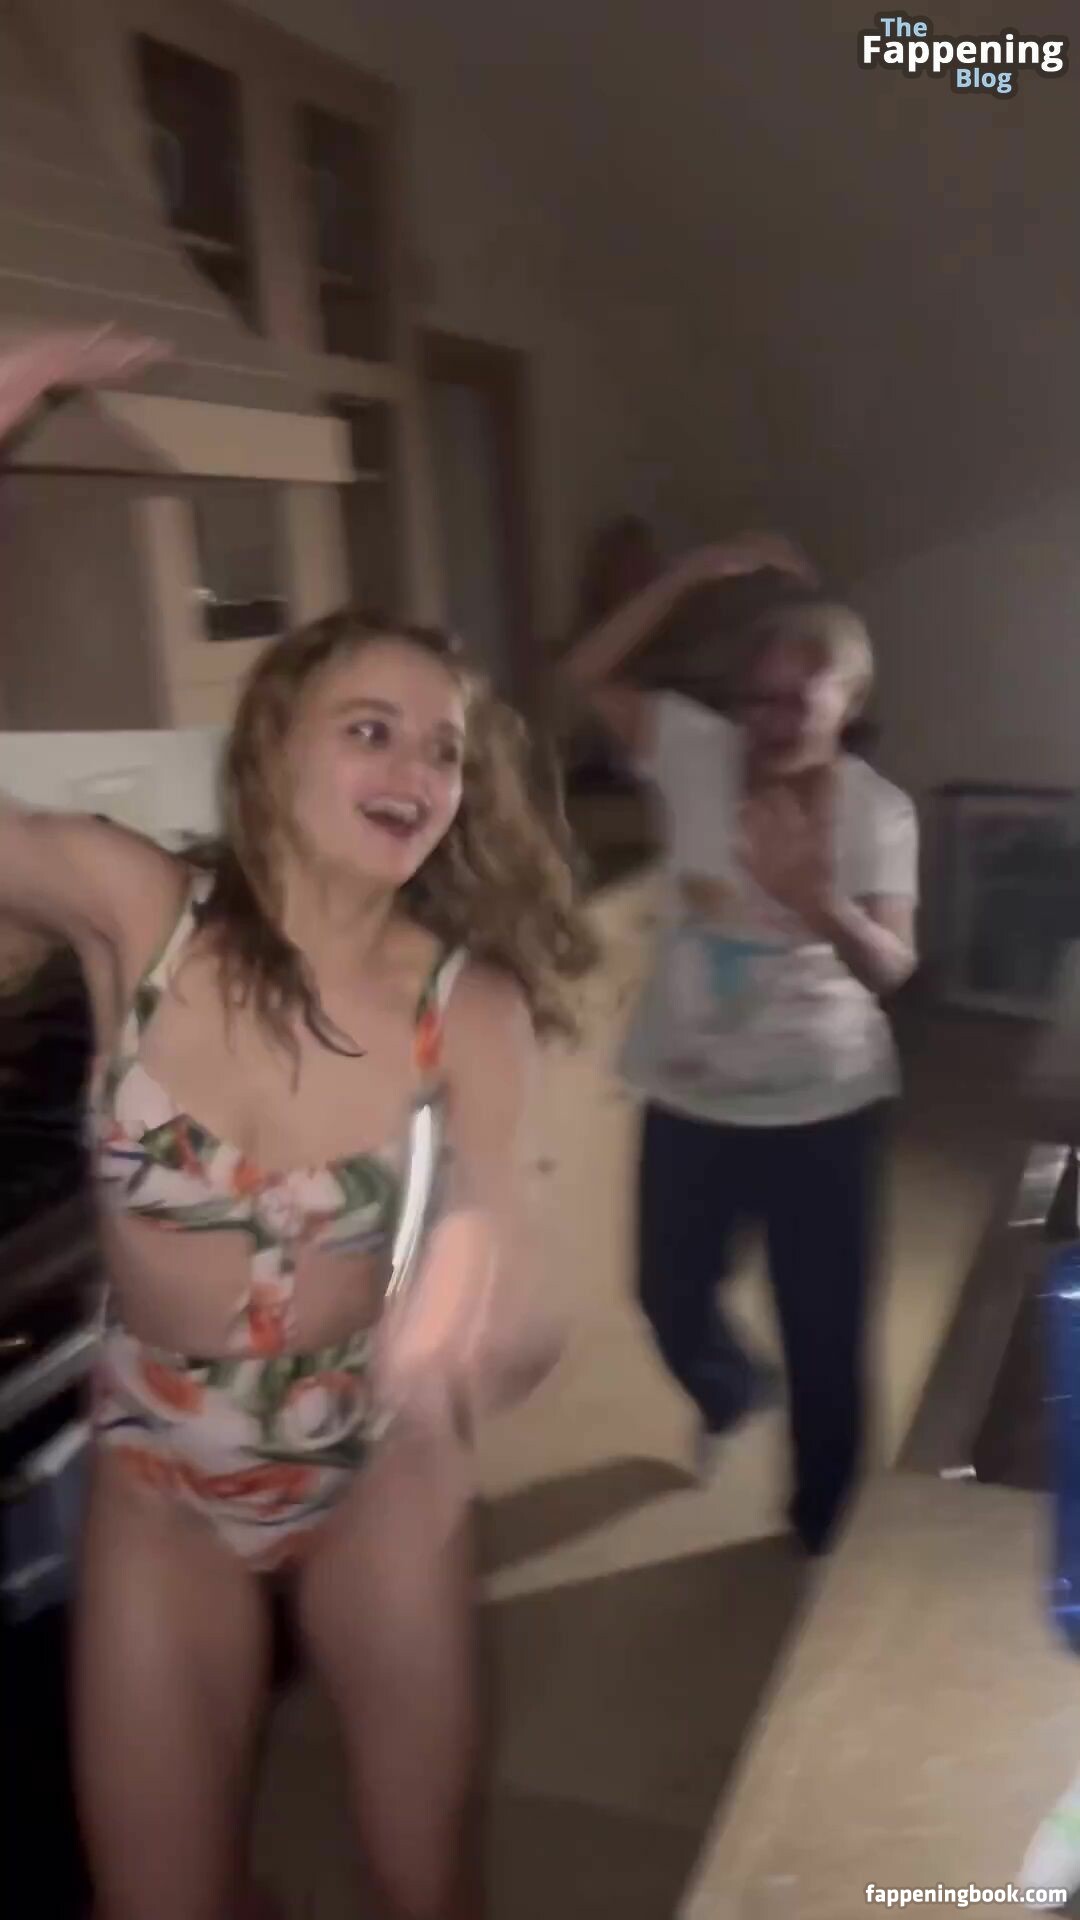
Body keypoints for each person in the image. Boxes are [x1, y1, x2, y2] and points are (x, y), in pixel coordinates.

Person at [0, 333, 596, 1920]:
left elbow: (518, 1263)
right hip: (160, 1487)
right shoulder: (137, 910)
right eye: (372, 728)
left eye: (445, 749)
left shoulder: (466, 1005)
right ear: (272, 745)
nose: (420, 770)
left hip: (373, 1475)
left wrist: (486, 1284)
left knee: (427, 1890)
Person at [562, 542, 918, 1555]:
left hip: (828, 1106)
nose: (771, 720)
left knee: (826, 1333)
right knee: (667, 1297)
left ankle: (825, 1526)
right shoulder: (692, 752)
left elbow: (893, 968)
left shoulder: (879, 814)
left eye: (798, 698)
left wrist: (817, 901)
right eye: (756, 697)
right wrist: (692, 574)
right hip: (691, 1096)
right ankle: (730, 1389)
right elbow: (586, 673)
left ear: (849, 701)